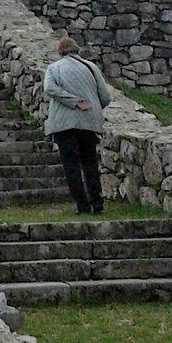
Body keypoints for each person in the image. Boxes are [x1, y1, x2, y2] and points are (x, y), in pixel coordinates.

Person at [43, 36, 112, 215]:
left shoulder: (54, 68)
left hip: (64, 124)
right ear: (76, 50)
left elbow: (49, 89)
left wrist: (73, 101)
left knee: (71, 164)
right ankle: (97, 202)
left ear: (60, 52)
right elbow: (105, 97)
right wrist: (92, 108)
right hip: (88, 122)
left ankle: (82, 204)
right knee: (90, 162)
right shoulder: (91, 67)